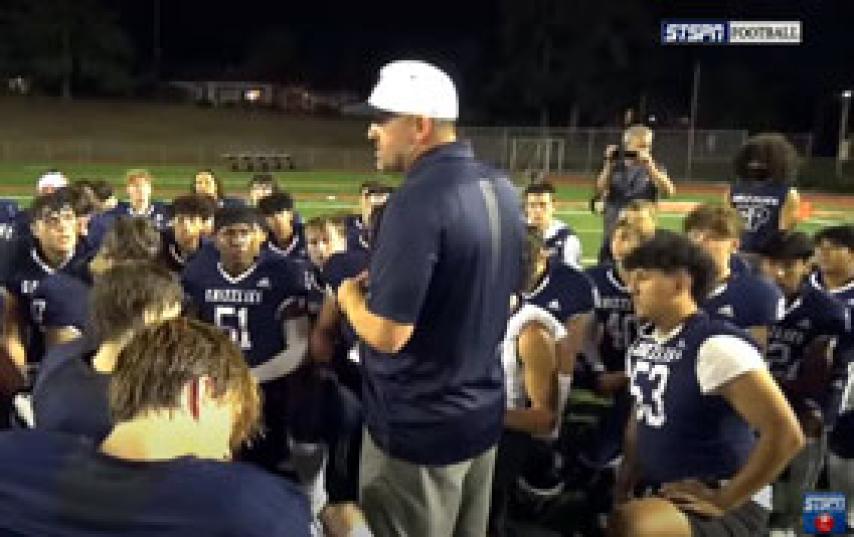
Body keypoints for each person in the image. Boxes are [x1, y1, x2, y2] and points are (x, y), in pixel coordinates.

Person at [336, 59, 525, 536]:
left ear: (419, 125)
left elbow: (388, 333)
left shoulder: (415, 200)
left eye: (382, 120)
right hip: (480, 413)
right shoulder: (502, 188)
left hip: (421, 427)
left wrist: (348, 299)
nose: (372, 133)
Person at [0, 317, 316, 535]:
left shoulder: (13, 460)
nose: (224, 453)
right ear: (200, 394)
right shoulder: (257, 507)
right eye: (229, 428)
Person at [609, 230, 804, 537]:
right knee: (621, 518)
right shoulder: (644, 344)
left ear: (680, 283)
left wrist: (725, 499)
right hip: (665, 493)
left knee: (636, 526)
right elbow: (640, 419)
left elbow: (786, 434)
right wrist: (625, 481)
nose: (630, 287)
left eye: (642, 278)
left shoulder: (716, 344)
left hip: (725, 497)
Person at [755, 231, 852, 534]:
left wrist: (825, 412)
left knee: (812, 479)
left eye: (788, 266)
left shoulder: (828, 311)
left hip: (805, 404)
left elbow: (838, 368)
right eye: (772, 264)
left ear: (805, 266)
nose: (779, 274)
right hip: (757, 401)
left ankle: (822, 530)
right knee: (761, 477)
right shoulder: (751, 298)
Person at [33, 262, 183, 442]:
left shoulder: (57, 364)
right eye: (172, 323)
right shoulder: (138, 408)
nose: (176, 334)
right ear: (149, 316)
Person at [488, 228, 566, 537]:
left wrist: (481, 414)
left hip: (504, 438)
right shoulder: (473, 314)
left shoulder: (531, 331)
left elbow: (543, 419)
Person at [581, 214, 654, 475]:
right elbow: (584, 334)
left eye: (627, 237)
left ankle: (604, 459)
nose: (619, 243)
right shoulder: (594, 278)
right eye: (616, 236)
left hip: (646, 371)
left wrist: (626, 376)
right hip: (600, 365)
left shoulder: (658, 281)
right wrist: (599, 370)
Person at [33, 216, 163, 350]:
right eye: (133, 270)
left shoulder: (124, 277)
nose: (137, 279)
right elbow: (65, 364)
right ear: (109, 258)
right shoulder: (63, 293)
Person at [1, 191, 89, 372]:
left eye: (68, 218)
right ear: (34, 229)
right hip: (31, 356)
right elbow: (13, 326)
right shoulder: (15, 256)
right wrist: (17, 374)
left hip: (85, 359)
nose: (63, 227)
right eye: (52, 220)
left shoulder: (92, 259)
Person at [684, 204, 784, 351]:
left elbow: (756, 356)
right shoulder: (670, 284)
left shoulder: (758, 292)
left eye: (712, 237)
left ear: (734, 245)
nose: (699, 242)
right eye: (694, 235)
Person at [812, 225, 854, 532]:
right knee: (807, 459)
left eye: (833, 247)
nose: (823, 253)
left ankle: (830, 524)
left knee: (836, 455)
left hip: (846, 382)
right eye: (820, 246)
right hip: (800, 382)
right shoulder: (804, 285)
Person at [594, 124, 674, 263]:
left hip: (643, 236)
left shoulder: (654, 167)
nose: (644, 150)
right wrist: (608, 164)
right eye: (639, 145)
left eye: (647, 146)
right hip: (615, 234)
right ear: (627, 145)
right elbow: (601, 189)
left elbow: (668, 191)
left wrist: (650, 167)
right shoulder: (615, 165)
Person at [727, 133, 801, 260]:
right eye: (753, 158)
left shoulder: (788, 193)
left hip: (765, 258)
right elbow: (727, 225)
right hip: (735, 253)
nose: (756, 164)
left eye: (762, 159)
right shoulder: (733, 190)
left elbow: (783, 234)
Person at [524, 181, 582, 268]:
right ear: (526, 207)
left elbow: (572, 277)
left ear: (553, 206)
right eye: (532, 205)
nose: (537, 210)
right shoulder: (517, 234)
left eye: (543, 205)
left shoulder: (567, 239)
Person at [161, 194, 217, 273]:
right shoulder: (160, 246)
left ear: (202, 224)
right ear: (172, 223)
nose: (185, 227)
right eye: (180, 220)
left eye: (192, 220)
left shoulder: (213, 252)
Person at [345, 181, 392, 253]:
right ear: (360, 199)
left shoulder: (388, 226)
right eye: (366, 196)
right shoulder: (349, 223)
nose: (369, 201)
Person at [259, 191, 308, 261]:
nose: (277, 219)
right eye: (269, 215)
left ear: (291, 214)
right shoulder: (261, 244)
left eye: (280, 212)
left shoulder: (308, 237)